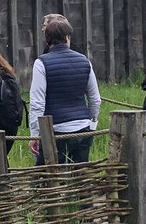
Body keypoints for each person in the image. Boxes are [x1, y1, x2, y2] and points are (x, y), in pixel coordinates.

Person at [28, 14, 101, 164]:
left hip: (54, 129)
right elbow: (95, 99)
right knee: (79, 175)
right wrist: (91, 122)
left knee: (46, 176)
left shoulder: (41, 63)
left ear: (47, 39)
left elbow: (37, 103)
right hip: (82, 126)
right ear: (67, 37)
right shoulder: (84, 60)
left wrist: (35, 134)